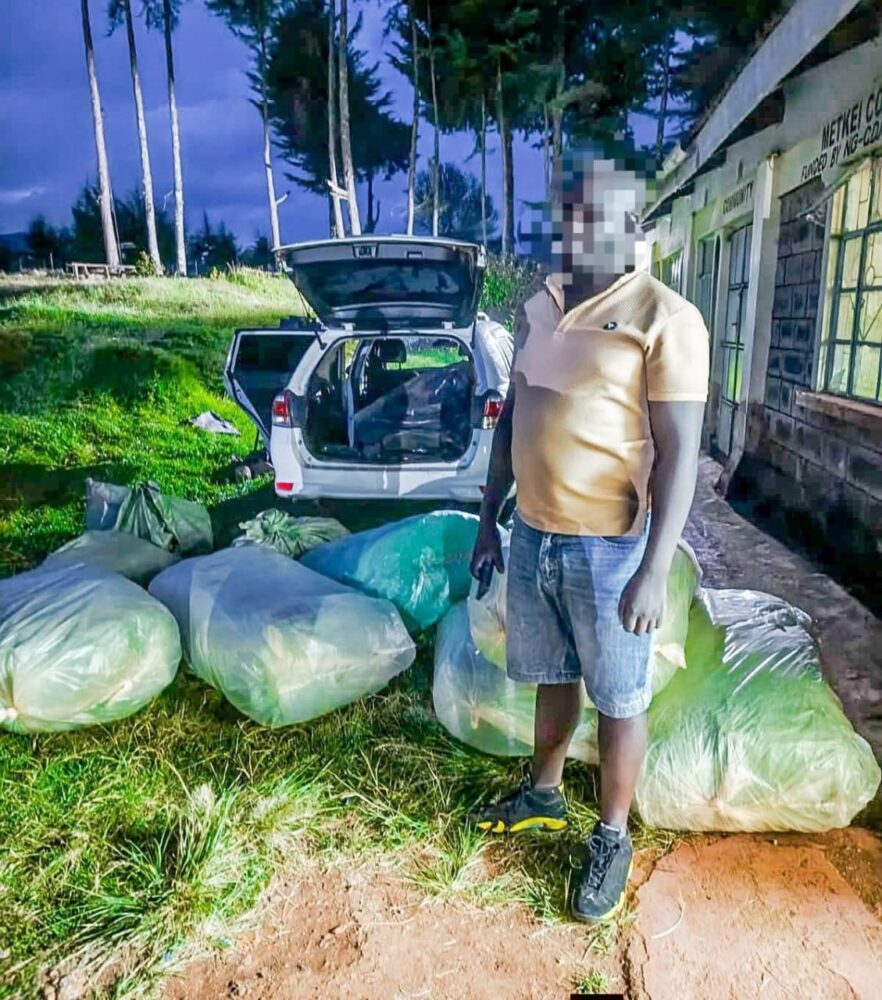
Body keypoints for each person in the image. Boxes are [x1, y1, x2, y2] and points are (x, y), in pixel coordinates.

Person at [469, 144, 710, 924]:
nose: (576, 232)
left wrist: (654, 565)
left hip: (612, 548)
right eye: (567, 217)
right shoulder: (538, 306)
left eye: (593, 217)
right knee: (552, 675)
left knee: (619, 697)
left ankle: (610, 834)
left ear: (631, 223)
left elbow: (680, 453)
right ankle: (543, 794)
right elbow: (513, 422)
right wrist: (488, 524)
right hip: (535, 534)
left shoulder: (667, 320)